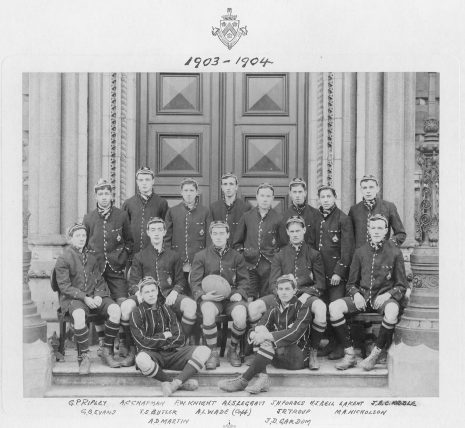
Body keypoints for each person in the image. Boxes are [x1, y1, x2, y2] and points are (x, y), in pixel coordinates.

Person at [328, 214, 408, 371]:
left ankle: (375, 355)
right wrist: (356, 294)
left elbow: (401, 285)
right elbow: (351, 284)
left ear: (386, 231)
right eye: (373, 228)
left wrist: (388, 295)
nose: (376, 231)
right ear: (368, 230)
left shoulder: (395, 252)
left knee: (393, 309)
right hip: (362, 299)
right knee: (334, 307)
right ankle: (349, 354)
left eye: (380, 228)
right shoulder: (360, 252)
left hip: (383, 299)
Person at [248, 216, 326, 370]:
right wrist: (284, 295)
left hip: (305, 295)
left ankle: (313, 352)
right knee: (253, 308)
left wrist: (307, 293)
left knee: (321, 308)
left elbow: (320, 284)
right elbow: (273, 283)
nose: (295, 234)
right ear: (287, 233)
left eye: (298, 230)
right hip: (282, 294)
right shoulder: (280, 255)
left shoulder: (313, 254)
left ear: (304, 230)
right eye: (292, 231)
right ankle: (258, 350)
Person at [218, 274, 313, 394]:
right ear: (277, 291)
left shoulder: (303, 308)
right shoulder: (274, 308)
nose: (284, 292)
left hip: (297, 357)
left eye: (287, 289)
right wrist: (254, 334)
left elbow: (294, 333)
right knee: (260, 331)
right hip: (277, 356)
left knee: (266, 339)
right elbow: (257, 327)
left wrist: (265, 336)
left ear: (294, 291)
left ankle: (243, 380)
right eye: (281, 289)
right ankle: (263, 379)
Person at [54, 223, 122, 373]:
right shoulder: (63, 258)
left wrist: (98, 295)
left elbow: (99, 280)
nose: (81, 239)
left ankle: (107, 350)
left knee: (115, 309)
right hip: (74, 299)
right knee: (79, 315)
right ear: (70, 238)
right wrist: (85, 297)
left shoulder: (92, 257)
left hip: (93, 296)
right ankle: (83, 357)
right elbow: (64, 287)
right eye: (77, 236)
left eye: (83, 235)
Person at [83, 178, 135, 366]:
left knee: (122, 306)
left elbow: (130, 241)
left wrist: (122, 256)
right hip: (96, 271)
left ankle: (124, 343)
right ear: (95, 196)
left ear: (111, 195)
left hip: (116, 269)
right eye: (100, 194)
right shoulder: (89, 218)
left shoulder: (121, 215)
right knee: (99, 305)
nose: (104, 197)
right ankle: (105, 347)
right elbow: (85, 244)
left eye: (107, 193)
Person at [129, 277, 211, 396]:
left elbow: (179, 337)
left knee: (205, 350)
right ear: (141, 294)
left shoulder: (166, 309)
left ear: (157, 291)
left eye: (153, 291)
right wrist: (164, 336)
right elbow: (141, 342)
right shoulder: (136, 313)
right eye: (147, 292)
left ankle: (176, 383)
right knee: (141, 359)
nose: (151, 295)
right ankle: (172, 381)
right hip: (153, 355)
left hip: (173, 353)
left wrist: (157, 339)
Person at [190, 221, 250, 369]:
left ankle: (233, 349)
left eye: (222, 233)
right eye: (215, 233)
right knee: (208, 312)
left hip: (231, 299)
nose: (218, 236)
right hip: (210, 298)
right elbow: (195, 282)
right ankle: (212, 352)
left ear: (228, 235)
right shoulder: (201, 256)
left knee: (241, 315)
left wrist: (239, 293)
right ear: (210, 235)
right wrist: (203, 296)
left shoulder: (237, 257)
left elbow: (245, 281)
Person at [129, 217, 197, 338]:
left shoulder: (174, 255)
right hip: (147, 296)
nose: (156, 233)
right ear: (148, 232)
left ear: (164, 232)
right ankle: (128, 345)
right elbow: (133, 282)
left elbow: (180, 280)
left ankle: (181, 340)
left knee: (191, 306)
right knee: (126, 307)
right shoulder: (139, 256)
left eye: (159, 230)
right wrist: (140, 295)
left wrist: (175, 292)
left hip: (168, 295)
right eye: (153, 230)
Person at [314, 185, 355, 360]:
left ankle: (340, 345)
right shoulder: (316, 218)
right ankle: (330, 342)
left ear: (335, 197)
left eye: (328, 196)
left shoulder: (343, 219)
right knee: (324, 309)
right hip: (319, 274)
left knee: (336, 309)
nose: (325, 199)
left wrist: (339, 272)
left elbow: (347, 250)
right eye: (322, 197)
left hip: (336, 276)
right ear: (319, 199)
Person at [233, 183, 282, 300]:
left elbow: (283, 244)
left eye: (268, 196)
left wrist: (276, 258)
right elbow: (237, 242)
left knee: (268, 296)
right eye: (262, 196)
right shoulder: (247, 216)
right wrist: (243, 256)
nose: (265, 199)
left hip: (269, 265)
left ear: (273, 198)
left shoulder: (279, 218)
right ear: (257, 197)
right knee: (249, 297)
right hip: (249, 264)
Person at [164, 178, 209, 283]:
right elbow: (166, 237)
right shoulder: (172, 211)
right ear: (181, 192)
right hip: (178, 259)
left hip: (198, 260)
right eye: (186, 190)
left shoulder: (205, 211)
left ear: (197, 192)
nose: (188, 194)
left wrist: (207, 258)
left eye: (192, 190)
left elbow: (209, 238)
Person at [348, 174, 406, 249]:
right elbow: (348, 236)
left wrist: (388, 245)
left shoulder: (389, 207)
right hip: (360, 257)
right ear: (361, 190)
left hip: (382, 256)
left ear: (377, 189)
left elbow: (401, 234)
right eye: (365, 188)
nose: (368, 191)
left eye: (371, 187)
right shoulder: (354, 210)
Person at [122, 166, 168, 256]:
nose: (144, 183)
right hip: (132, 255)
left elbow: (166, 230)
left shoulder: (161, 203)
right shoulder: (128, 203)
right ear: (137, 182)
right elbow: (123, 229)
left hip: (155, 255)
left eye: (147, 180)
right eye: (141, 180)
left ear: (153, 181)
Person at [207, 172, 252, 247]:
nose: (228, 187)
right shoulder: (214, 207)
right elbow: (210, 233)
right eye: (225, 184)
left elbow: (249, 234)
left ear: (236, 187)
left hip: (238, 253)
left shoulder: (245, 208)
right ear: (221, 187)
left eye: (231, 184)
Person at [278, 178, 320, 248]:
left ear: (305, 193)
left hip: (310, 257)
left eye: (300, 192)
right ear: (290, 194)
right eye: (294, 192)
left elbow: (318, 242)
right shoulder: (283, 216)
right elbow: (283, 243)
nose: (297, 195)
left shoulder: (316, 214)